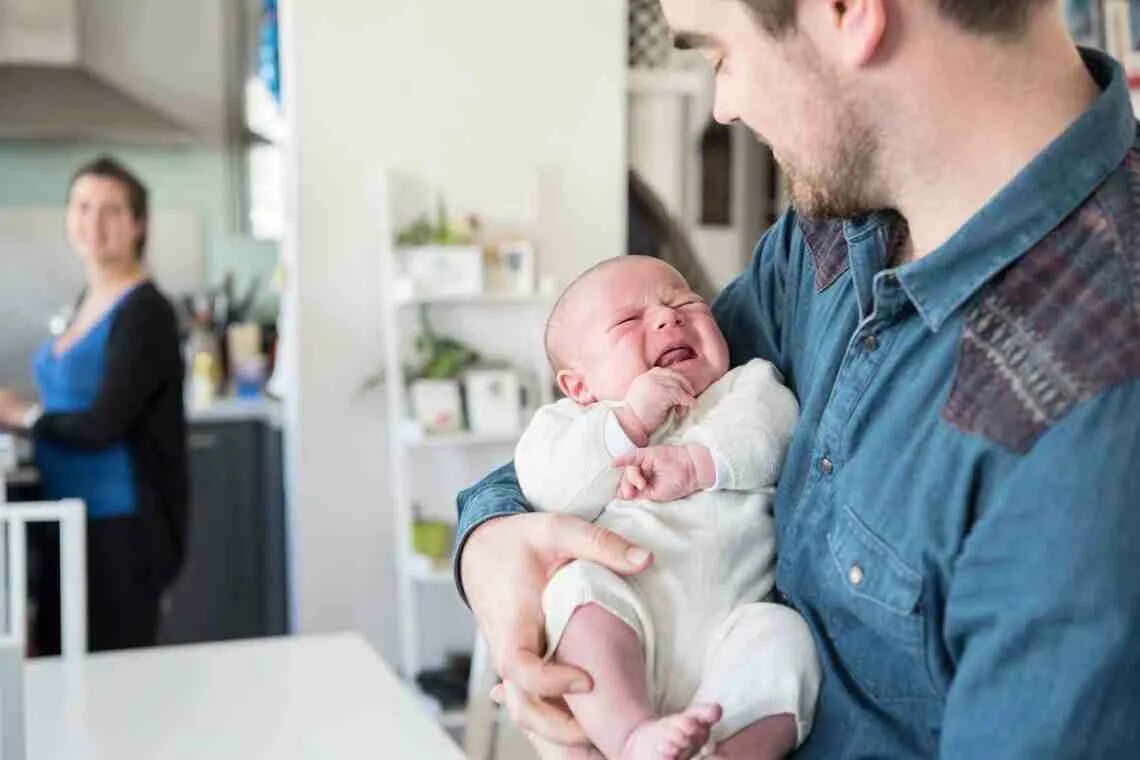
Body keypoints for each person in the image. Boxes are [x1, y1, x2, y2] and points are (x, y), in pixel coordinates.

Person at [454, 1, 1140, 757]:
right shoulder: (826, 242)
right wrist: (491, 543)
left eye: (720, 56)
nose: (724, 105)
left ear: (849, 12)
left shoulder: (1097, 424)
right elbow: (632, 409)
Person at [517, 255, 819, 759]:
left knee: (786, 639)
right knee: (576, 591)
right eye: (628, 321)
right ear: (579, 386)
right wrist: (630, 422)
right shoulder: (569, 425)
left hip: (731, 631)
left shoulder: (744, 388)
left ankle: (730, 753)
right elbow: (547, 490)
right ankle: (631, 737)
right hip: (624, 621)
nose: (668, 317)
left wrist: (693, 462)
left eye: (686, 303)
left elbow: (772, 435)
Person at [0, 156, 188, 652]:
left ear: (138, 225)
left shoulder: (145, 312)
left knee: (114, 693)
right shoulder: (88, 299)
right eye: (83, 207)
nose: (94, 223)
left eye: (111, 211)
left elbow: (105, 422)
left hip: (118, 532)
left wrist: (22, 415)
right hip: (68, 524)